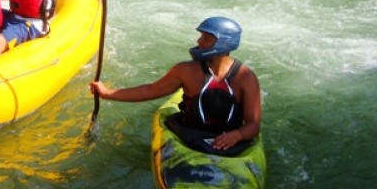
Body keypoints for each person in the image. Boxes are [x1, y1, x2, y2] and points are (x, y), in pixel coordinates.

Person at [89, 17, 261, 153]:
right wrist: (108, 93)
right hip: (188, 134)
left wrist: (238, 135)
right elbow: (150, 90)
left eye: (207, 38)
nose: (199, 41)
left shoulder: (245, 78)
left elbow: (253, 124)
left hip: (229, 141)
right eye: (201, 36)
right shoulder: (185, 70)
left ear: (224, 43)